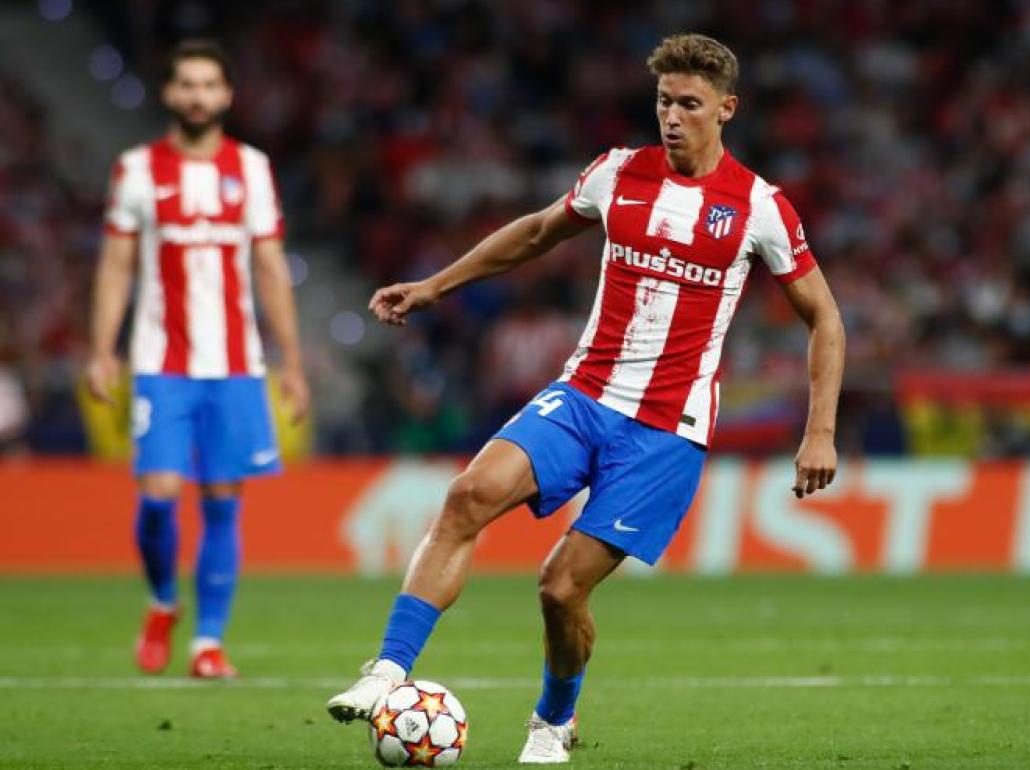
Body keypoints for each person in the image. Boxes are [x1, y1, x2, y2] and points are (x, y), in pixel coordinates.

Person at [327, 33, 844, 763]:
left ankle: (553, 720)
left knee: (561, 589)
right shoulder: (616, 172)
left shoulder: (760, 208)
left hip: (666, 431)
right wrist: (435, 286)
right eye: (663, 101)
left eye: (689, 104)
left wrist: (819, 431)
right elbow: (537, 233)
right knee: (468, 496)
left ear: (727, 109)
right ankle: (387, 670)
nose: (672, 117)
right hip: (583, 395)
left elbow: (825, 318)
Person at [86, 40, 309, 679]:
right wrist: (101, 350)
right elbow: (117, 265)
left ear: (227, 95)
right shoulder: (136, 170)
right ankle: (163, 601)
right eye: (187, 84)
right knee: (159, 496)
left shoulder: (252, 168)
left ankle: (207, 642)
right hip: (162, 362)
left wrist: (293, 363)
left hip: (235, 365)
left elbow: (270, 268)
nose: (197, 96)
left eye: (209, 85)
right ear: (168, 93)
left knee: (221, 501)